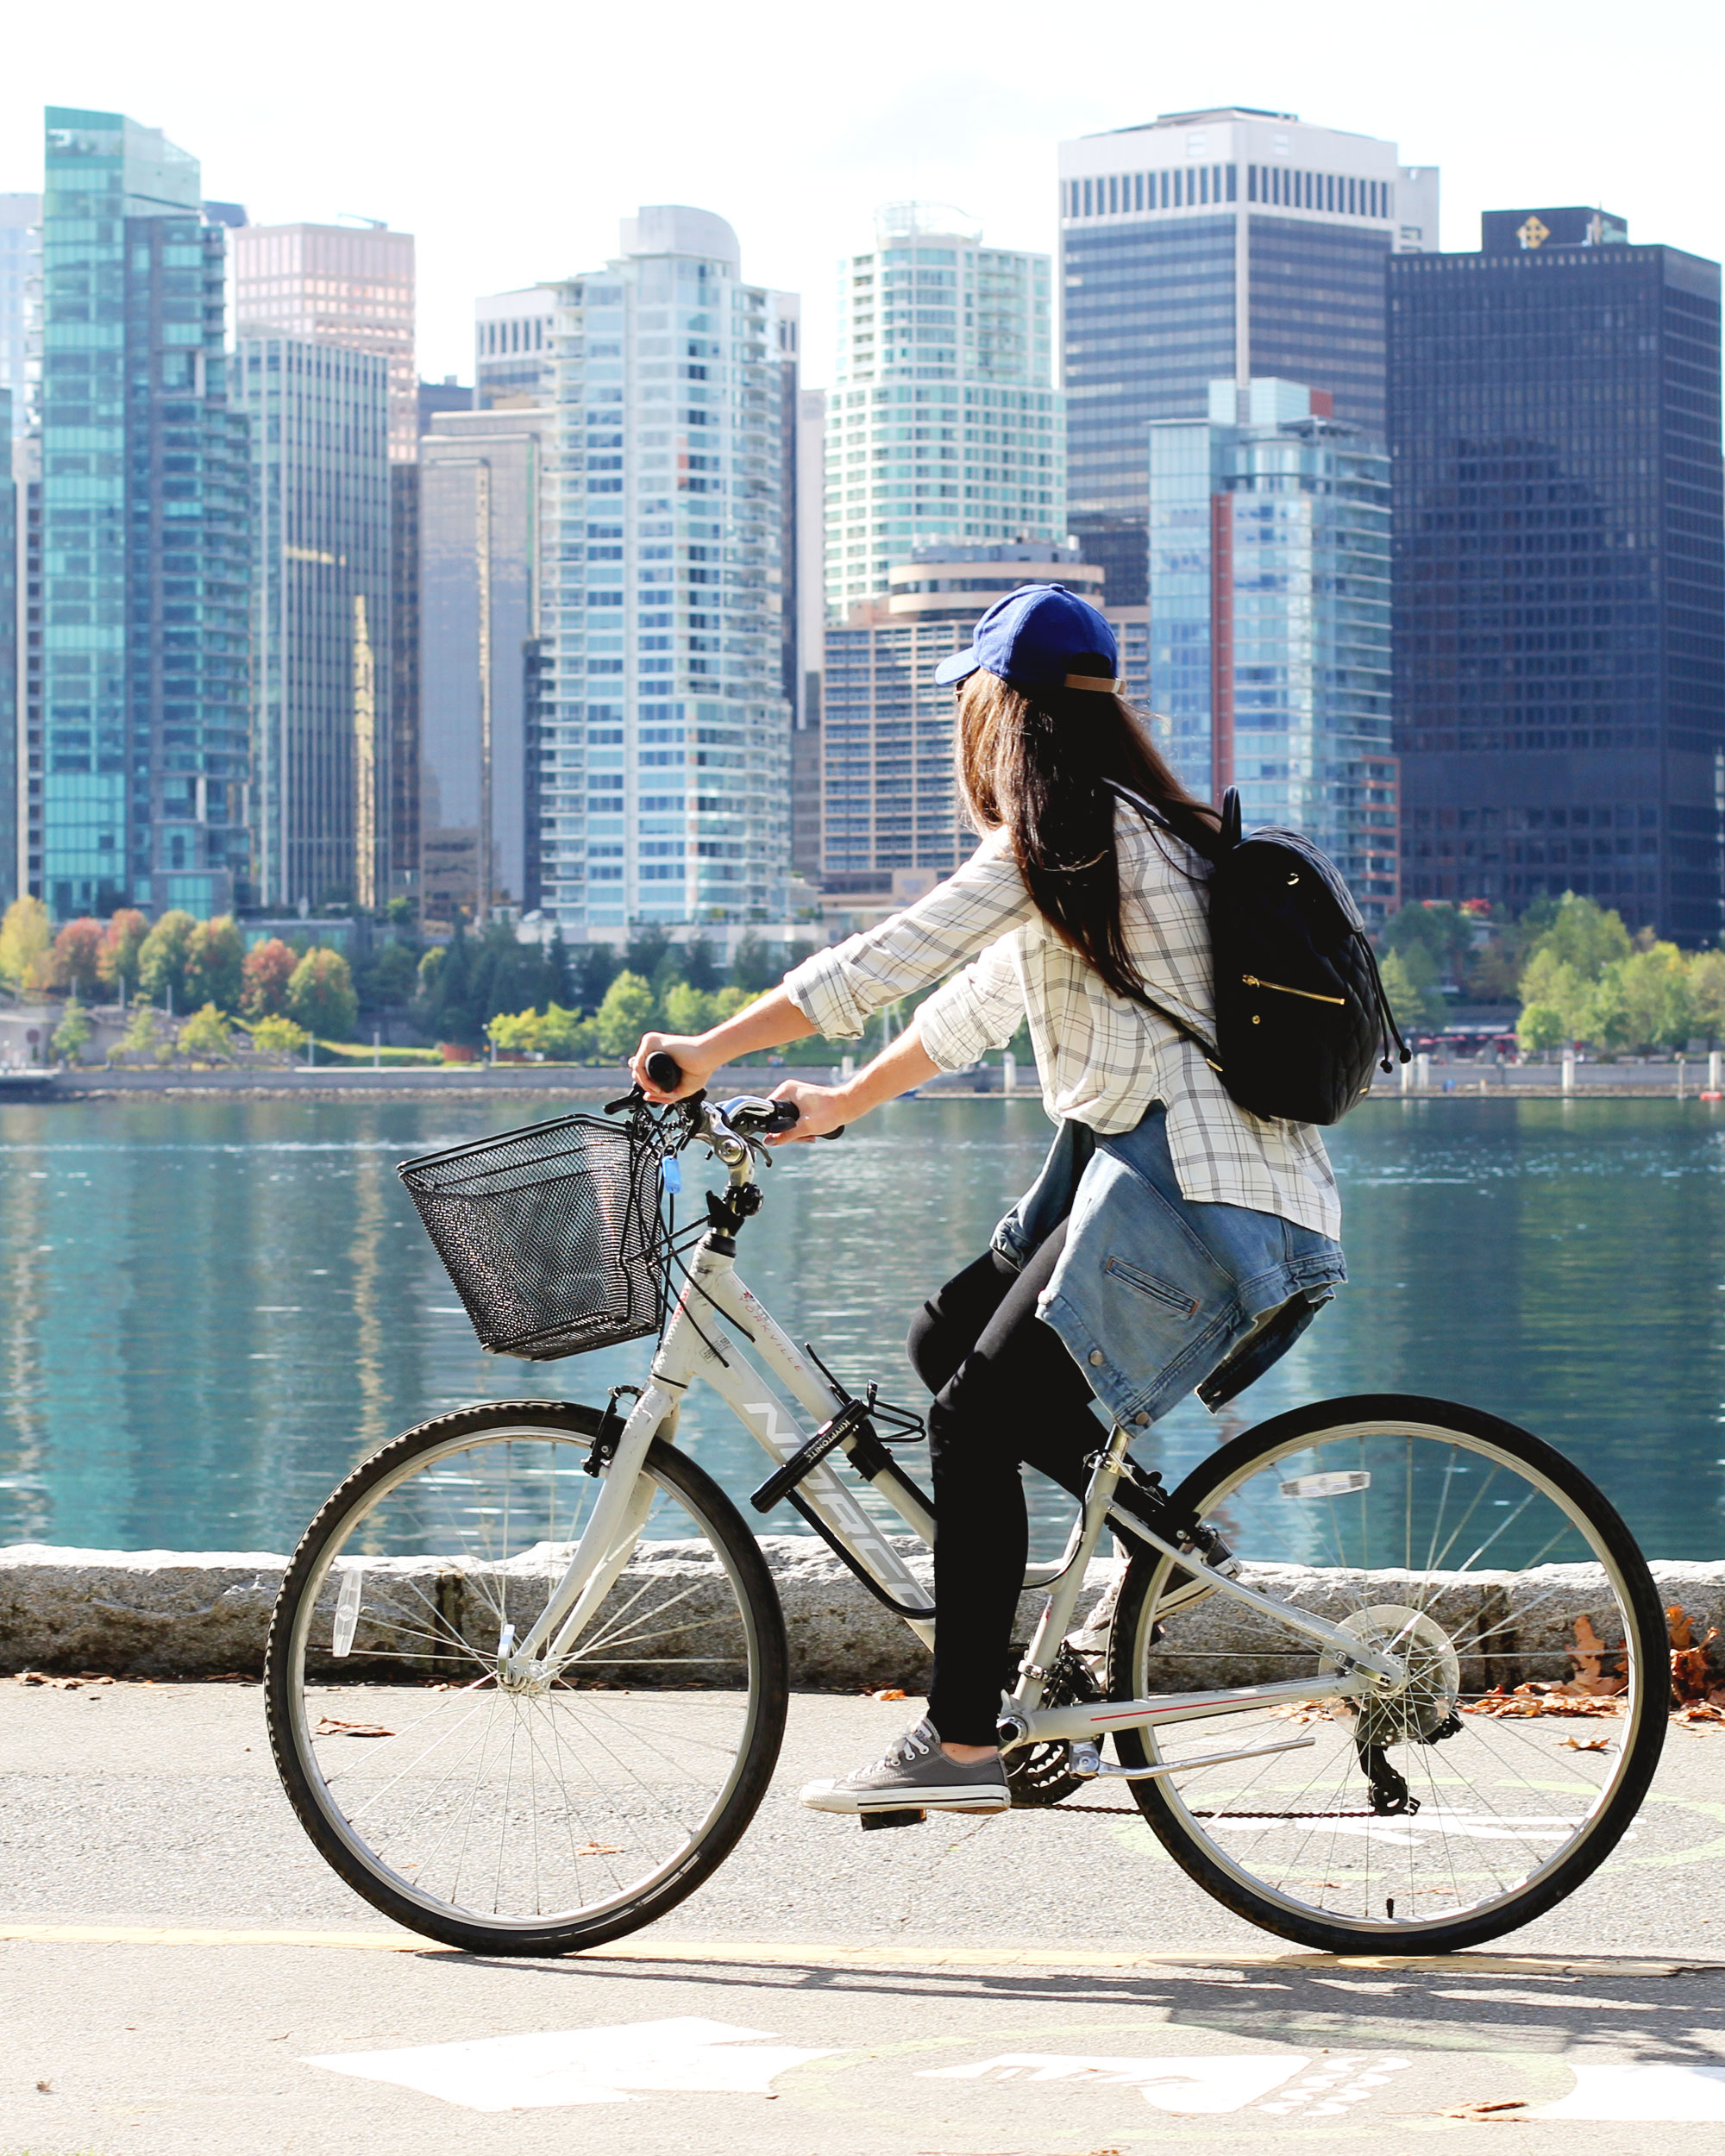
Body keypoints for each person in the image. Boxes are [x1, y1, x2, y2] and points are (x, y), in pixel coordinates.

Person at [630, 583, 1346, 1819]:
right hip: (1192, 1180)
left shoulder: (1069, 837)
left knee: (973, 1417)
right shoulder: (1134, 835)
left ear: (1001, 713)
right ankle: (1166, 1545)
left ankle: (963, 1744)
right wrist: (844, 1100)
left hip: (1203, 1195)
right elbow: (974, 1006)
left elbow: (879, 963)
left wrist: (707, 1047)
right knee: (945, 1338)